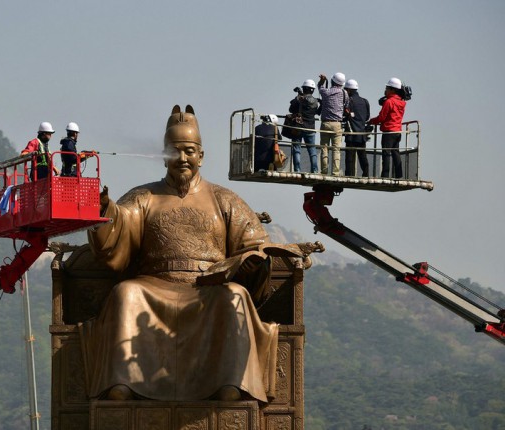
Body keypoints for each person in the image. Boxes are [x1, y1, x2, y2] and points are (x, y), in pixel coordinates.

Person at [84, 104, 280, 403]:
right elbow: (120, 228)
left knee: (234, 296)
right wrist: (104, 210)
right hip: (154, 285)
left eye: (190, 150)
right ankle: (123, 382)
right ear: (164, 156)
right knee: (126, 293)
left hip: (209, 289)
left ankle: (231, 383)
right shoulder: (143, 196)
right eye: (175, 151)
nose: (183, 158)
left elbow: (254, 243)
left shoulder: (224, 199)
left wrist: (252, 259)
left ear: (201, 155)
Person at [368, 77, 406, 178]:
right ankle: (399, 174)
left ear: (392, 89)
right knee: (395, 152)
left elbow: (382, 117)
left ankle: (385, 175)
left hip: (389, 131)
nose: (385, 90)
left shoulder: (389, 102)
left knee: (386, 153)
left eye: (387, 88)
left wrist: (371, 121)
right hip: (397, 131)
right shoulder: (402, 102)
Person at [318, 72, 349, 175]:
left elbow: (320, 87)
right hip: (337, 124)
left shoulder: (325, 92)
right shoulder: (344, 93)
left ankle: (324, 171)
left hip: (325, 123)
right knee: (336, 149)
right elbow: (347, 105)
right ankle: (335, 172)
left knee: (324, 148)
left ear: (332, 81)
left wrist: (322, 81)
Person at [288, 79, 320, 173]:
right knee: (312, 151)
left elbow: (291, 110)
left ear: (304, 88)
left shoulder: (299, 99)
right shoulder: (315, 101)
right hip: (310, 128)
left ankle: (297, 170)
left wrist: (297, 97)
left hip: (299, 126)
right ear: (312, 90)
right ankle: (314, 170)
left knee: (297, 149)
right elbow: (317, 112)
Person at [343, 79, 370, 177]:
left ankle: (349, 175)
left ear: (349, 90)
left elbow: (344, 115)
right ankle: (366, 173)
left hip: (351, 133)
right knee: (362, 155)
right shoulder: (365, 101)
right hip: (362, 134)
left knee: (350, 156)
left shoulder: (349, 101)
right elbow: (367, 117)